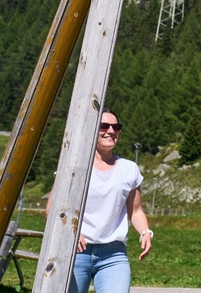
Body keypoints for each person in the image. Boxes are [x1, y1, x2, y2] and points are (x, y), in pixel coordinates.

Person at [63, 110, 152, 293]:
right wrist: (71, 231)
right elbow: (53, 209)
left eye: (116, 127)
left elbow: (136, 211)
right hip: (75, 250)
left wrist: (145, 232)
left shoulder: (129, 169)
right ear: (92, 129)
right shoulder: (74, 165)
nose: (111, 131)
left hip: (113, 254)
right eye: (104, 126)